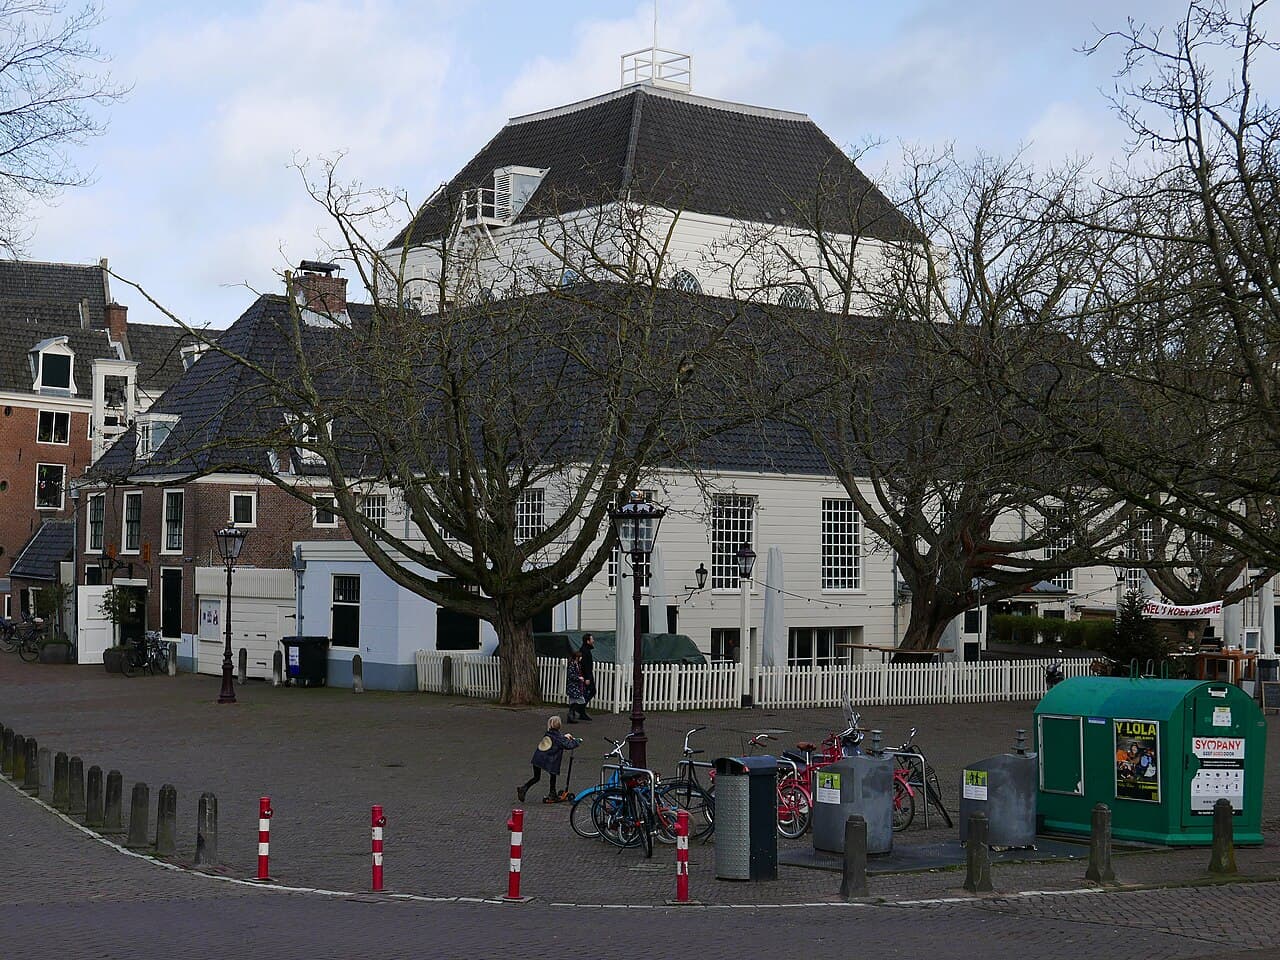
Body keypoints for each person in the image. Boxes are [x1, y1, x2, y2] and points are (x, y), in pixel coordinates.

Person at [517, 716, 579, 804]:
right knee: (553, 774)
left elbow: (558, 739)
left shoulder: (548, 733)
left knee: (536, 777)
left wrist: (565, 736)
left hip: (538, 758)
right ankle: (552, 793)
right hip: (549, 760)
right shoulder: (559, 738)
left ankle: (524, 788)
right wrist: (576, 742)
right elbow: (567, 745)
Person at [578, 633, 596, 721]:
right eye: (592, 639)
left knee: (587, 692)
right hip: (587, 675)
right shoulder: (585, 651)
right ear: (588, 641)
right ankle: (580, 708)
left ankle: (581, 710)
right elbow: (586, 665)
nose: (593, 641)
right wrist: (588, 677)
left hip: (586, 675)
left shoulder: (584, 650)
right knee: (591, 691)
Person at [566, 650, 586, 723]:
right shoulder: (572, 664)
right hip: (573, 686)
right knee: (578, 700)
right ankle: (571, 714)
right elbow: (571, 675)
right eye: (580, 657)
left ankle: (572, 714)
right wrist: (578, 678)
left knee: (574, 701)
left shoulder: (578, 665)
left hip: (577, 685)